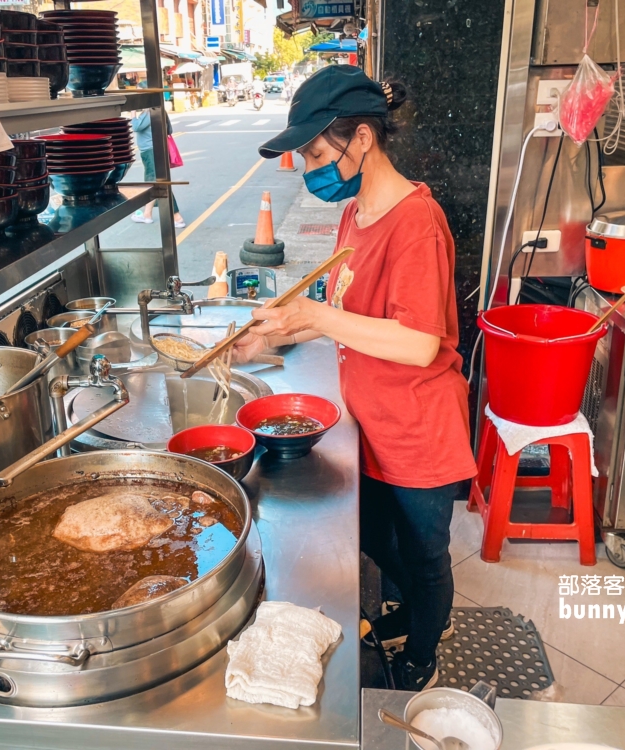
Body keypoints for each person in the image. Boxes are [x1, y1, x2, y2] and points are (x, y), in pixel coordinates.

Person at [234, 65, 477, 692]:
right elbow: (350, 312)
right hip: (371, 422)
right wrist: (283, 330)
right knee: (376, 536)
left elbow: (421, 343)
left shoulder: (415, 221)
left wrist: (316, 315)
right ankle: (413, 613)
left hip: (419, 430)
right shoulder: (357, 214)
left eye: (317, 151)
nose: (309, 165)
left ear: (362, 138)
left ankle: (424, 653)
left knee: (425, 558)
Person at [130, 104, 185, 228]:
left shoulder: (150, 112)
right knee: (155, 182)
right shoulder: (158, 111)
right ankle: (147, 214)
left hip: (151, 151)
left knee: (155, 183)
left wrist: (133, 112)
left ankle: (176, 216)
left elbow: (136, 126)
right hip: (156, 149)